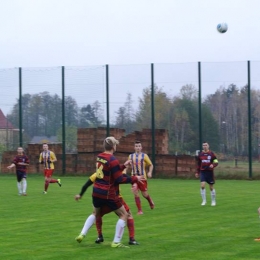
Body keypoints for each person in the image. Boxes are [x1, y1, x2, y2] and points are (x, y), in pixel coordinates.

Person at [74, 136, 144, 248]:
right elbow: (119, 179)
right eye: (116, 144)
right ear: (113, 147)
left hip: (96, 191)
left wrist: (123, 166)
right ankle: (116, 242)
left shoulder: (99, 157)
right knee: (124, 214)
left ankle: (82, 234)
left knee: (95, 213)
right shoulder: (112, 159)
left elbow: (109, 170)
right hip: (108, 193)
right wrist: (135, 178)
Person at [75, 172, 139, 245]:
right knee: (128, 214)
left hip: (101, 198)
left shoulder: (97, 174)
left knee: (96, 214)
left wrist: (80, 195)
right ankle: (131, 239)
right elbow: (125, 177)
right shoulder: (114, 173)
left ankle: (98, 236)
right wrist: (134, 182)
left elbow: (86, 184)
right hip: (115, 199)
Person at [127, 140, 154, 215]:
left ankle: (150, 201)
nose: (138, 147)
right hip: (134, 177)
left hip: (142, 178)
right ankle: (140, 210)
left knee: (144, 194)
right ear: (134, 147)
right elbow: (127, 165)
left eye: (139, 146)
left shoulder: (144, 156)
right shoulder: (131, 156)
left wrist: (149, 172)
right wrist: (124, 171)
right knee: (135, 192)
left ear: (141, 147)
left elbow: (151, 165)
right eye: (136, 146)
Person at [195, 141, 219, 206]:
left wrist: (213, 165)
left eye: (206, 145)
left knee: (211, 187)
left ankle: (213, 201)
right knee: (202, 186)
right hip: (203, 172)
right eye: (203, 145)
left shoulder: (211, 154)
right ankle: (204, 201)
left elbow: (216, 162)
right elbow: (199, 164)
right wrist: (197, 172)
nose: (204, 146)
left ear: (208, 146)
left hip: (210, 172)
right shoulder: (200, 154)